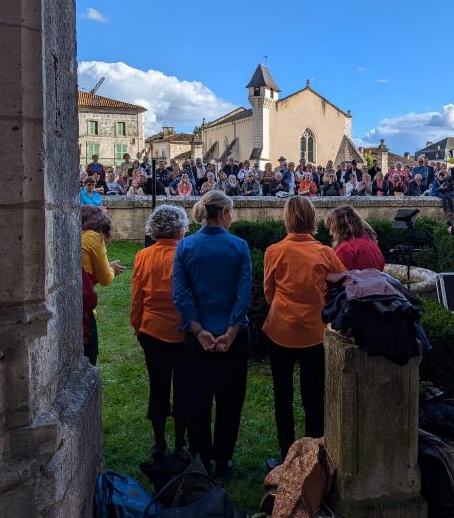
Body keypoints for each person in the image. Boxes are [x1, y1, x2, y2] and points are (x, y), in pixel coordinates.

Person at [172, 190, 252, 478]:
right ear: (223, 213)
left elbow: (180, 294)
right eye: (231, 213)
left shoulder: (185, 246)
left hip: (198, 337)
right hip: (232, 336)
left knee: (198, 400)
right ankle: (223, 457)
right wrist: (231, 332)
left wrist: (197, 329)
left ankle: (202, 456)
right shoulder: (239, 246)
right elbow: (244, 294)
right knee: (230, 402)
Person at [263, 197, 346, 461]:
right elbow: (340, 287)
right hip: (314, 330)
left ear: (287, 218)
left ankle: (286, 450)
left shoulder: (274, 251)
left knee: (282, 394)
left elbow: (269, 293)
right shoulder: (324, 252)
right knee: (314, 395)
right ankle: (313, 451)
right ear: (312, 218)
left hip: (282, 328)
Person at [131, 205, 191, 461]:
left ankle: (158, 443)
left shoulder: (143, 255)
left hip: (152, 329)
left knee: (158, 386)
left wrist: (137, 325)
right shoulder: (186, 252)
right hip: (183, 332)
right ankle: (180, 442)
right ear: (180, 229)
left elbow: (137, 297)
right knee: (184, 388)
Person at [80, 206, 124, 365]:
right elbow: (105, 279)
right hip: (84, 308)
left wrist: (107, 266)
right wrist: (111, 269)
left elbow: (87, 272)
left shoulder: (80, 235)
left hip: (76, 298)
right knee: (89, 355)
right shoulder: (93, 236)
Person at [325, 205, 385, 271]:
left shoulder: (346, 249)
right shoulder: (372, 244)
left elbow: (337, 276)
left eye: (331, 227)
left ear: (340, 227)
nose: (330, 233)